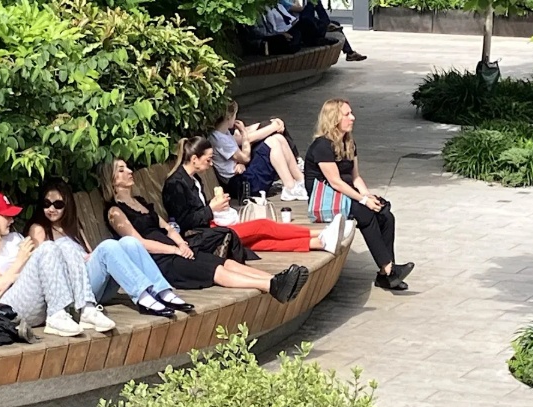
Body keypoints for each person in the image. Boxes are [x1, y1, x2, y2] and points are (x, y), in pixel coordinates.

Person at [103, 158, 309, 303]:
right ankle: (271, 287)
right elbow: (139, 243)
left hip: (178, 249)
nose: (129, 171)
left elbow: (166, 227)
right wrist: (175, 250)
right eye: (121, 170)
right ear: (111, 179)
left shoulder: (140, 202)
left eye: (127, 167)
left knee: (223, 261)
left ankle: (275, 279)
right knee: (214, 270)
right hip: (158, 261)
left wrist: (181, 243)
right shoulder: (115, 211)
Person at [26, 181, 193, 318]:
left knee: (129, 242)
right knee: (108, 246)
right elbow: (44, 268)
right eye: (46, 204)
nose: (51, 209)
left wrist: (89, 257)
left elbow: (89, 252)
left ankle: (163, 292)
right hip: (74, 293)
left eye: (58, 204)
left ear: (67, 205)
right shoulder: (39, 229)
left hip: (94, 285)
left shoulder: (73, 226)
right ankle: (143, 297)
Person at [0, 190, 113, 337]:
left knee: (65, 244)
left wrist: (9, 278)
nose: (12, 220)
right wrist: (19, 261)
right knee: (46, 247)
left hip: (37, 299)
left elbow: (40, 268)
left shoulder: (15, 237)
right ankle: (56, 316)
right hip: (9, 307)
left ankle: (86, 307)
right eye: (6, 216)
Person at [164, 136, 352, 254]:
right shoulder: (176, 184)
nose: (211, 164)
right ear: (194, 159)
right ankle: (320, 233)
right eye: (208, 159)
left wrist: (215, 208)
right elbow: (184, 222)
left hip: (210, 228)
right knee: (263, 226)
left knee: (262, 241)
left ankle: (318, 243)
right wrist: (211, 209)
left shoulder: (193, 178)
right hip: (199, 237)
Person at [305, 98, 413, 290]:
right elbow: (335, 182)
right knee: (366, 214)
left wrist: (369, 196)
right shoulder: (322, 146)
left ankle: (386, 275)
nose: (352, 118)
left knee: (386, 214)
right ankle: (389, 269)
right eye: (347, 114)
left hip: (346, 195)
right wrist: (363, 200)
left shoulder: (349, 143)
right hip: (327, 199)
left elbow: (355, 177)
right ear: (334, 118)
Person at [210, 101, 308, 202]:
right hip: (240, 184)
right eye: (235, 115)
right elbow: (245, 158)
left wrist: (240, 163)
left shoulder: (224, 133)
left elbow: (236, 157)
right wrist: (244, 133)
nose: (236, 118)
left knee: (278, 138)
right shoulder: (218, 138)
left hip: (241, 176)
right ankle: (290, 188)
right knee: (272, 142)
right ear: (229, 117)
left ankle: (301, 180)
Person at [282, 0, 367, 61]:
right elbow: (299, 8)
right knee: (313, 1)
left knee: (336, 25)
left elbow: (297, 4)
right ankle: (327, 23)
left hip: (305, 22)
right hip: (299, 25)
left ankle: (350, 53)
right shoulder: (281, 2)